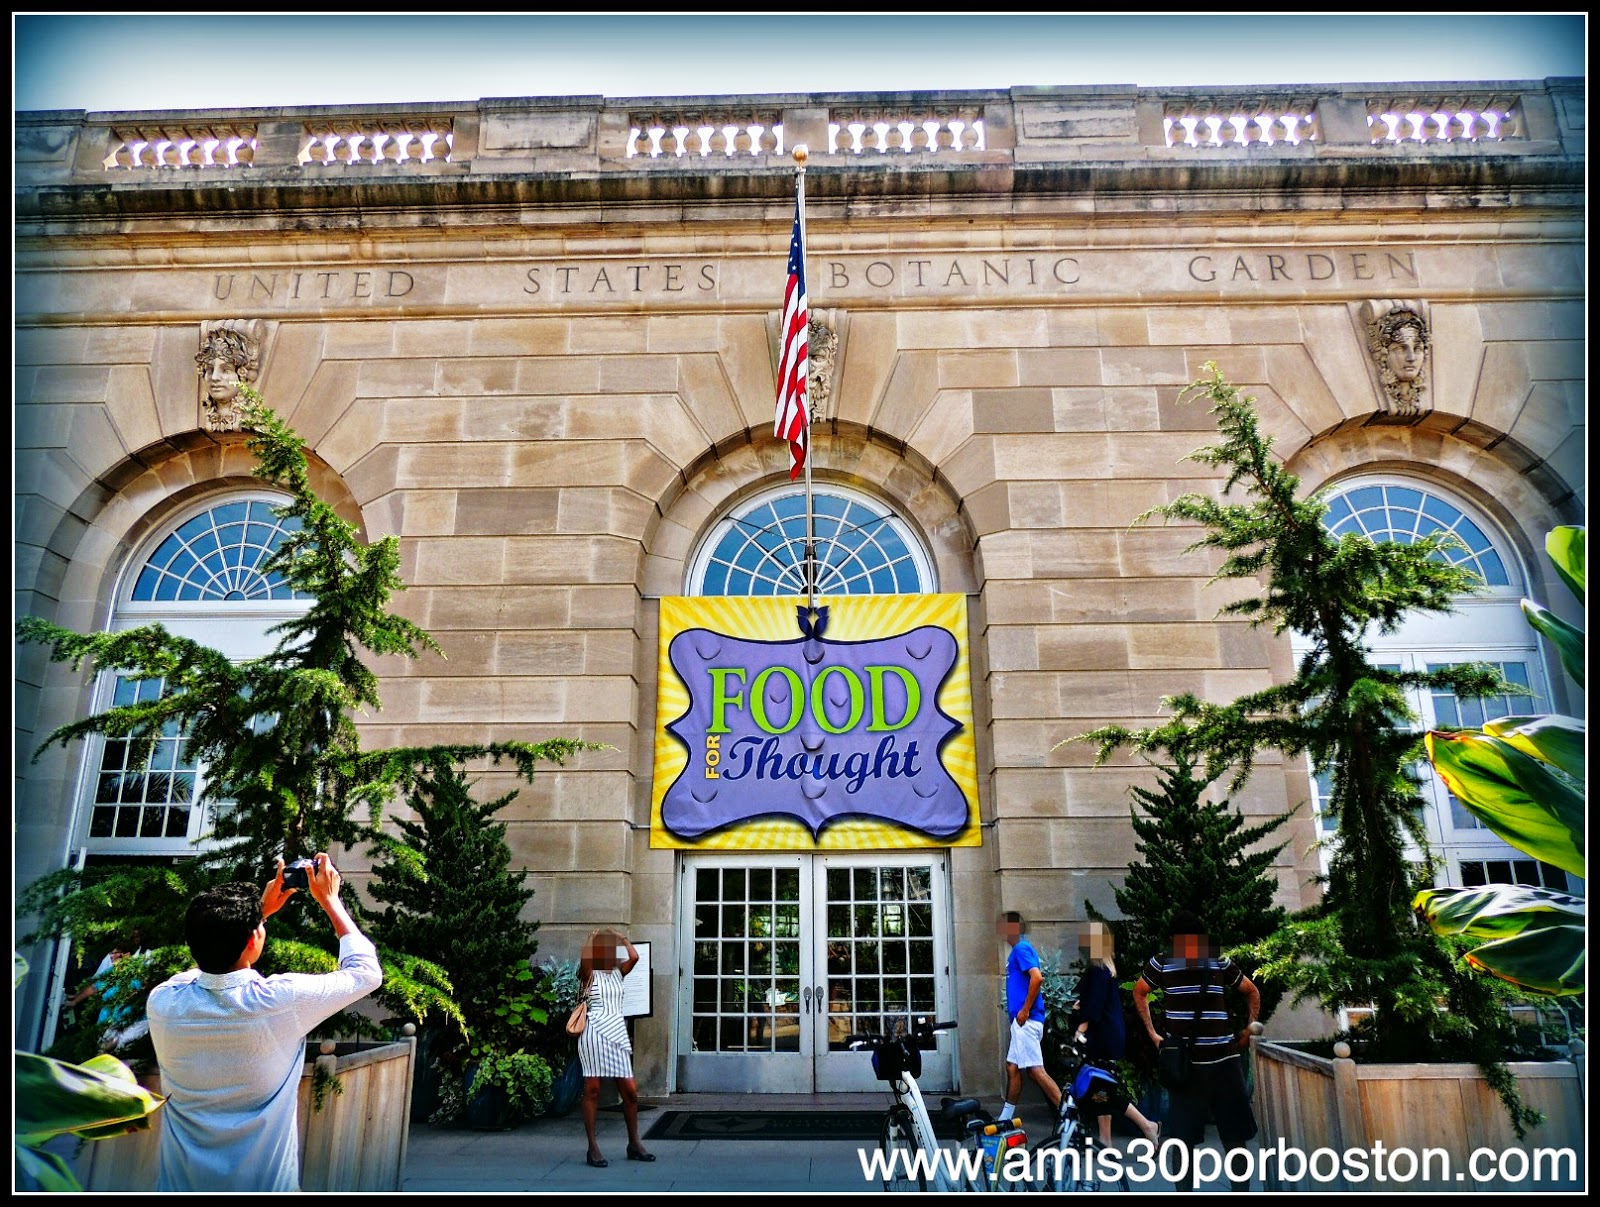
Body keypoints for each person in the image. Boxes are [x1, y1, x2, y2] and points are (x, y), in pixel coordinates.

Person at [146, 854, 383, 1191]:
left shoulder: (163, 1003)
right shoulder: (279, 1001)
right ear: (253, 941)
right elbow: (366, 972)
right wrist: (330, 900)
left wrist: (255, 916)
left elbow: (207, 961)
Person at [1133, 910, 1260, 1192]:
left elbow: (1139, 992)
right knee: (1234, 1137)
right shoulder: (1216, 959)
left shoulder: (1163, 962)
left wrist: (1154, 1034)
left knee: (1183, 1140)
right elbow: (1252, 991)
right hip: (1224, 1063)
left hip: (1187, 1067)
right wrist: (1248, 1031)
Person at [1072, 921, 1159, 1148]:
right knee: (1101, 1088)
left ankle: (1147, 1125)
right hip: (1110, 1035)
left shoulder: (1098, 970)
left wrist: (1080, 1029)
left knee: (1102, 1089)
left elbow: (1096, 1007)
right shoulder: (1105, 969)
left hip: (1102, 1038)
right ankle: (1107, 1140)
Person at [578, 928, 653, 1168]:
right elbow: (585, 962)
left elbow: (634, 957)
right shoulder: (589, 975)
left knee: (630, 1092)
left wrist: (621, 937)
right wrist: (591, 938)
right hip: (594, 1033)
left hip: (617, 1033)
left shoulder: (619, 973)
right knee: (593, 1090)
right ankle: (593, 1148)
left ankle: (634, 1144)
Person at [995, 911, 1060, 1123]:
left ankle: (1070, 1115)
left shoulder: (1021, 948)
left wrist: (1025, 1010)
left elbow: (1037, 978)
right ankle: (1005, 1118)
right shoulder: (1018, 949)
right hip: (1022, 1021)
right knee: (1012, 1067)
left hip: (1026, 1020)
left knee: (1036, 1071)